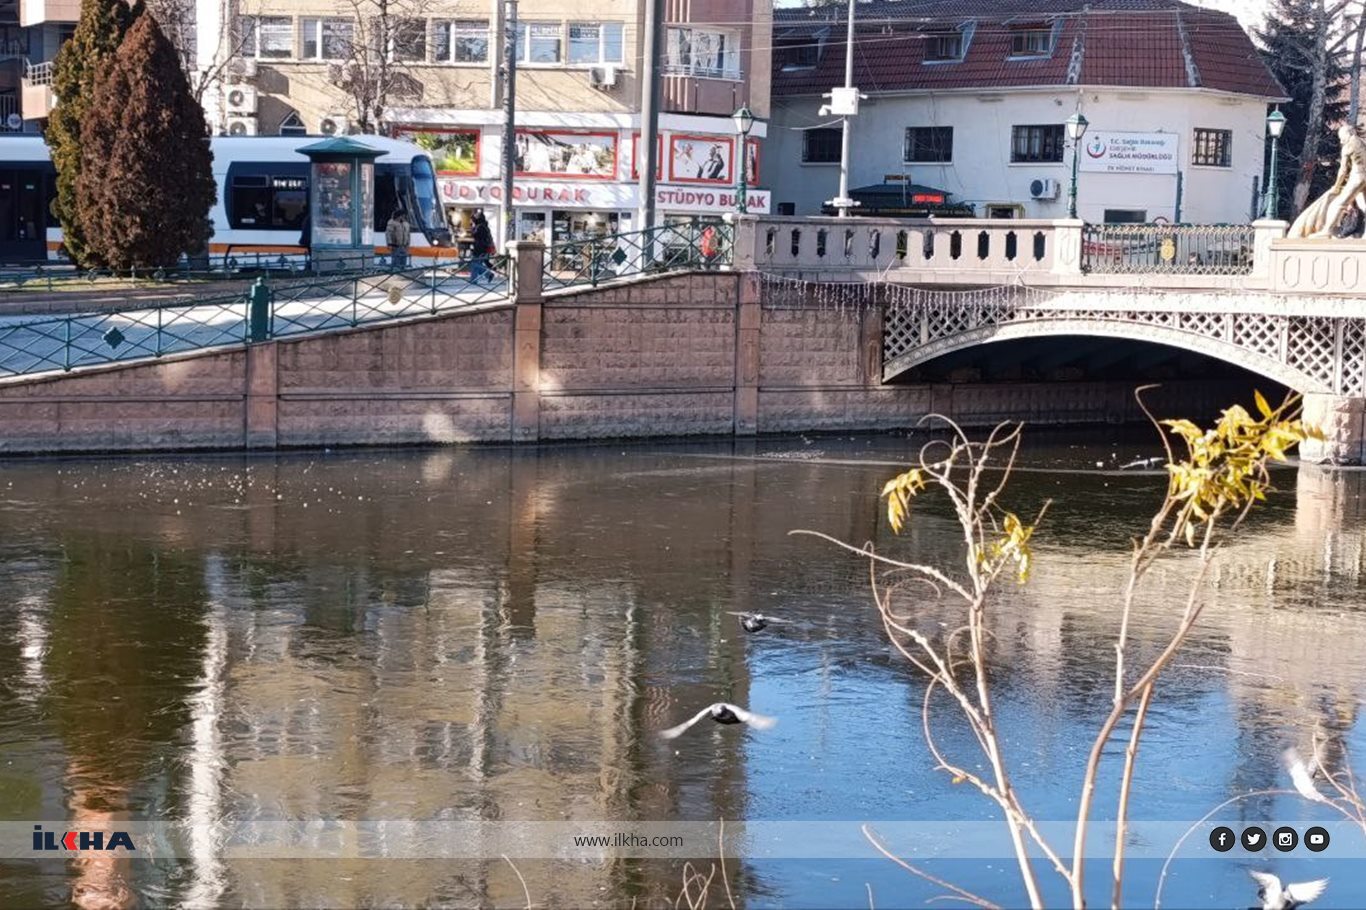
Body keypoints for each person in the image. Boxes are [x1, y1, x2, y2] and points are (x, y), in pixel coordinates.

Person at [469, 211, 495, 284]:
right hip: (483, 248)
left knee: (475, 264)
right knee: (476, 264)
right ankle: (488, 275)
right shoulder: (484, 226)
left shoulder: (480, 227)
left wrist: (472, 227)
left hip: (480, 248)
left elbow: (475, 235)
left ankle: (474, 280)